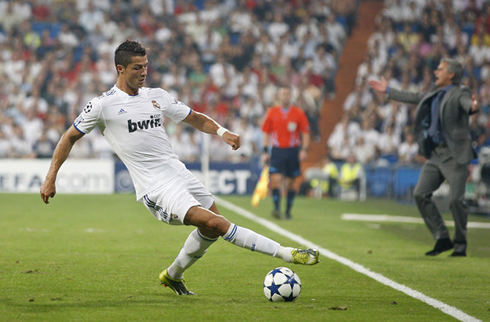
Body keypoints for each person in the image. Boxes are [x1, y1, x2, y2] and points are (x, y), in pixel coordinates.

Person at [40, 40, 319, 296]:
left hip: (180, 174)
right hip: (155, 188)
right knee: (217, 224)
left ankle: (173, 276)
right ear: (120, 69)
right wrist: (51, 178)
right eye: (137, 68)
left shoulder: (157, 95)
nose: (144, 72)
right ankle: (286, 253)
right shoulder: (102, 105)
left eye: (146, 66)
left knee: (211, 229)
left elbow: (195, 118)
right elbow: (69, 137)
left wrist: (222, 132)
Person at [369, 58, 479, 257]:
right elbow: (413, 96)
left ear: (451, 75)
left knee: (456, 200)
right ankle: (442, 237)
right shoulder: (434, 93)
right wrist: (388, 90)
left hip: (455, 155)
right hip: (436, 154)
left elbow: (467, 105)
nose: (436, 72)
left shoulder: (460, 92)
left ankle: (460, 244)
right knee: (420, 194)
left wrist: (473, 106)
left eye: (440, 69)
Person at [261, 86, 310, 220]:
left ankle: (288, 211)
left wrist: (304, 150)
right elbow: (266, 132)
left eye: (288, 94)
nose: (285, 96)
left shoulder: (298, 113)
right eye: (283, 93)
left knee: (291, 183)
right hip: (277, 150)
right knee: (276, 180)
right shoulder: (272, 112)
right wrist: (265, 150)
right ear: (279, 96)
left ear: (291, 96)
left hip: (293, 150)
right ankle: (276, 209)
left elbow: (305, 132)